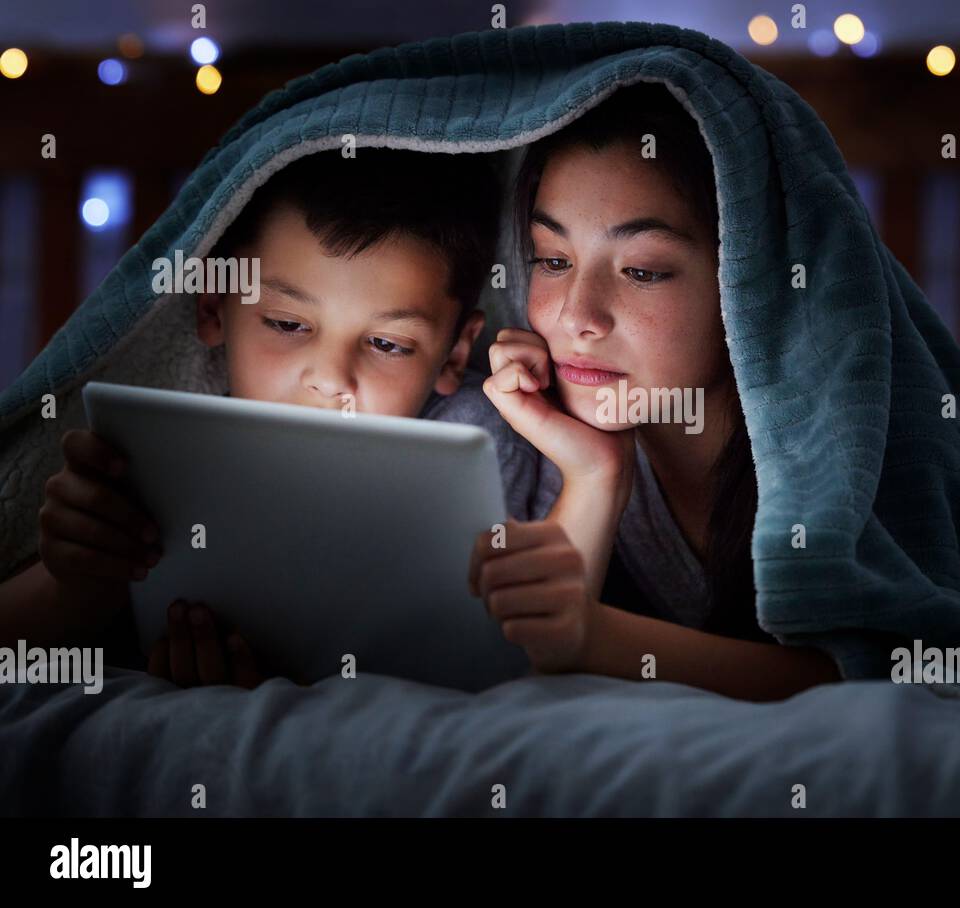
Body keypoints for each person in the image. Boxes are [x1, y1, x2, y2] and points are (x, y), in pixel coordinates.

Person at [0, 148, 510, 687]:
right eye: (288, 324)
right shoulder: (150, 465)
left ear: (454, 352)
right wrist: (73, 586)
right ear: (214, 306)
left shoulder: (487, 455)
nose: (331, 379)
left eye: (387, 343)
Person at [469, 84, 842, 702]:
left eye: (642, 271)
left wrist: (597, 639)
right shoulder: (519, 435)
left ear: (752, 279)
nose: (576, 316)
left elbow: (876, 671)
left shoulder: (839, 453)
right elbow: (516, 678)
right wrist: (595, 475)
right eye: (552, 260)